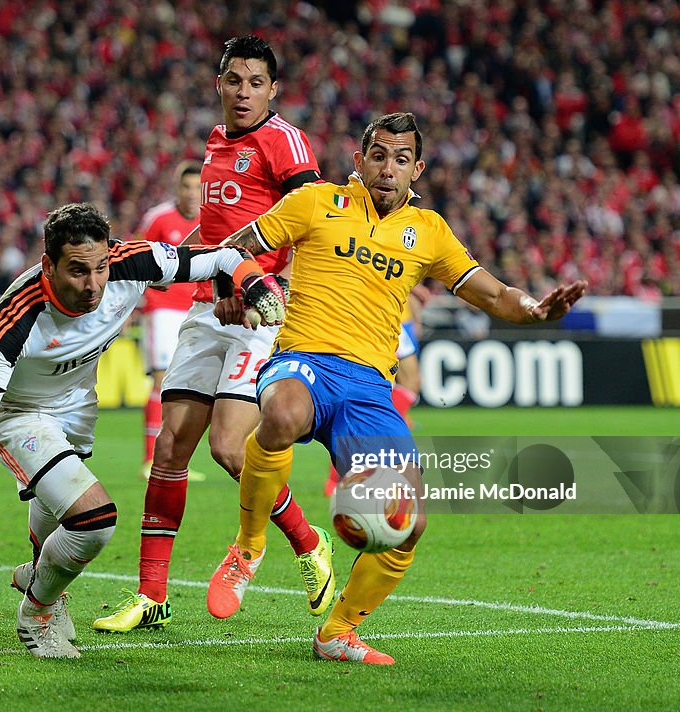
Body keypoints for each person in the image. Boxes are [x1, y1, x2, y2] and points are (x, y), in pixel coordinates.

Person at [205, 112, 587, 664]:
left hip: (368, 387)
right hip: (304, 359)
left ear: (418, 168)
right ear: (358, 162)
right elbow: (235, 247)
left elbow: (496, 296)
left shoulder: (428, 231)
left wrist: (534, 309)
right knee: (283, 415)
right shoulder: (315, 202)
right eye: (378, 156)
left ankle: (337, 632)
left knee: (409, 523)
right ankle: (248, 545)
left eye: (401, 158)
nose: (388, 168)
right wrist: (240, 285)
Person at [0, 202, 287, 659]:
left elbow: (222, 256)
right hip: (18, 413)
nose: (94, 284)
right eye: (78, 271)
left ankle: (42, 575)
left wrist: (253, 282)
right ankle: (37, 610)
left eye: (100, 268)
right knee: (92, 522)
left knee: (57, 505)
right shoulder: (16, 317)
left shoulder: (132, 262)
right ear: (49, 265)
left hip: (77, 403)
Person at [94, 35, 332, 633]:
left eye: (256, 82)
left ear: (273, 89)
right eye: (234, 81)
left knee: (228, 447)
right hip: (208, 305)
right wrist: (190, 258)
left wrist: (281, 293)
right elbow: (222, 224)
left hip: (259, 306)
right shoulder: (215, 142)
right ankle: (152, 596)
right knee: (171, 448)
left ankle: (307, 543)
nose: (244, 92)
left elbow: (316, 223)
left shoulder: (284, 140)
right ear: (219, 85)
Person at [132, 160, 201, 479]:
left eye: (196, 187)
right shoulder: (158, 218)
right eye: (185, 187)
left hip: (196, 309)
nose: (191, 194)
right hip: (161, 307)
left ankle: (175, 461)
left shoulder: (210, 219)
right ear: (177, 188)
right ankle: (150, 459)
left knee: (186, 386)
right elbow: (137, 256)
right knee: (160, 381)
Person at [323, 286, 427, 496]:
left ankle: (344, 477)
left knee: (408, 384)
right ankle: (342, 476)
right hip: (374, 315)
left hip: (386, 315)